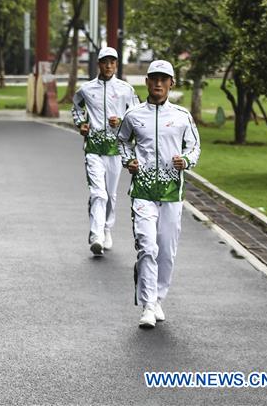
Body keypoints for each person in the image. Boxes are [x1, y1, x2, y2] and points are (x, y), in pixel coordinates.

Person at [117, 60, 200, 329]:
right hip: (142, 191)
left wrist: (186, 161)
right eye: (154, 78)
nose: (158, 84)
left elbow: (195, 147)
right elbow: (122, 141)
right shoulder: (134, 115)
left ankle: (158, 297)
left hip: (171, 193)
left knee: (166, 250)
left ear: (171, 83)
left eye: (164, 79)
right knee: (147, 246)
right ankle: (148, 304)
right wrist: (128, 160)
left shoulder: (181, 116)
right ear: (147, 81)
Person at [71, 47, 139, 255]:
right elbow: (76, 106)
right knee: (98, 193)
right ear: (98, 64)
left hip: (115, 150)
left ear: (116, 65)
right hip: (94, 148)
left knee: (110, 194)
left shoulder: (126, 89)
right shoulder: (86, 89)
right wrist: (81, 123)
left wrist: (121, 121)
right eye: (105, 62)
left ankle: (107, 228)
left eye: (112, 62)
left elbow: (137, 114)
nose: (108, 66)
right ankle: (96, 234)